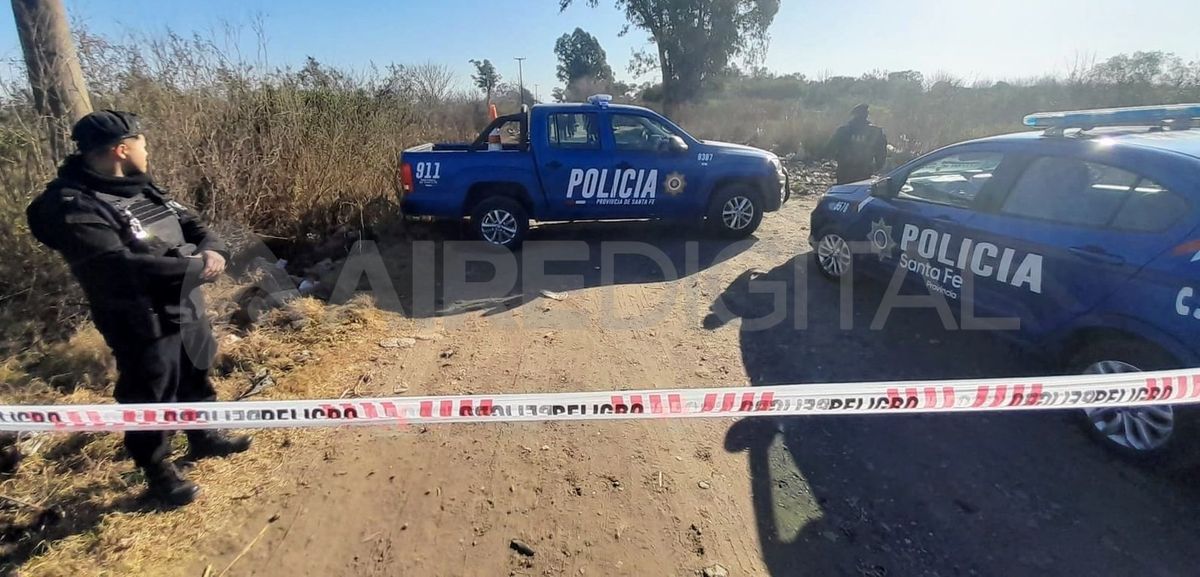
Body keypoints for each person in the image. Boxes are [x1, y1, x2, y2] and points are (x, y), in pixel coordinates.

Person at [25, 110, 251, 507]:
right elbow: (119, 266)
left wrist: (213, 251)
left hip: (184, 299)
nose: (147, 151)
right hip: (137, 316)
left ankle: (203, 435)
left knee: (195, 368)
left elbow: (193, 225)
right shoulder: (71, 204)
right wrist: (196, 268)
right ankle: (158, 471)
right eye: (142, 143)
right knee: (150, 389)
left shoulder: (142, 187)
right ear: (121, 149)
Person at [829, 103, 888, 184]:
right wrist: (878, 166)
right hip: (863, 169)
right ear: (866, 115)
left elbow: (831, 147)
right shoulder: (875, 131)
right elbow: (881, 152)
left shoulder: (843, 130)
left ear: (854, 115)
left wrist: (834, 159)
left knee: (844, 189)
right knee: (860, 190)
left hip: (845, 169)